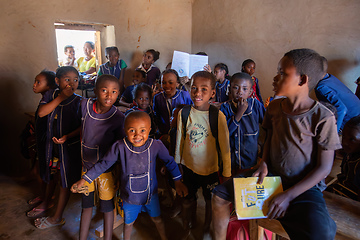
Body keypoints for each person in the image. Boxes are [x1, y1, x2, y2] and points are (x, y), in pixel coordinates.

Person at [212, 48, 341, 240]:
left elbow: (324, 168)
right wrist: (263, 162)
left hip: (302, 187)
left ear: (302, 80)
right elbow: (268, 140)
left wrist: (288, 195)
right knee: (219, 195)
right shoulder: (274, 107)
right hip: (270, 177)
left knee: (322, 231)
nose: (275, 77)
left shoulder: (322, 117)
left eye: (282, 73)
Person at [71, 111, 188, 240]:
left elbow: (170, 162)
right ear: (124, 130)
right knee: (128, 224)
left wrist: (178, 181)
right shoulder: (119, 147)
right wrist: (84, 179)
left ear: (150, 129)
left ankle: (164, 237)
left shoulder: (156, 145)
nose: (137, 135)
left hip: (151, 195)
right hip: (129, 197)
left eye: (143, 130)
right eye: (132, 130)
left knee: (157, 219)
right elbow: (103, 164)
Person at [175, 71, 231, 237]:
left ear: (213, 93)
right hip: (188, 167)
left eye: (203, 89)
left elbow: (225, 148)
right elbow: (179, 141)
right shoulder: (184, 113)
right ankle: (187, 223)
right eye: (194, 88)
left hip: (211, 170)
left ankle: (207, 226)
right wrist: (177, 166)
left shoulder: (217, 116)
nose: (197, 93)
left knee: (209, 201)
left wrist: (226, 174)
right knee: (187, 199)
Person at [74, 74, 125, 240]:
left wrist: (119, 174)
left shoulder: (118, 118)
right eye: (104, 90)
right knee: (86, 205)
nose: (109, 95)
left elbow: (119, 150)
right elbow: (79, 127)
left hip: (106, 171)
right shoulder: (84, 105)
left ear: (119, 94)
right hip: (86, 167)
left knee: (107, 206)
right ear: (95, 91)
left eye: (114, 91)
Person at [34, 66, 82, 229]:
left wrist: (67, 137)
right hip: (52, 150)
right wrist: (60, 97)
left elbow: (83, 127)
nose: (71, 83)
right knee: (53, 176)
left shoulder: (79, 102)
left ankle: (57, 217)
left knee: (64, 181)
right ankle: (47, 203)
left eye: (75, 80)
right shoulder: (52, 95)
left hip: (68, 151)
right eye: (67, 79)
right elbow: (41, 113)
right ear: (57, 81)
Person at [27, 71, 58, 218]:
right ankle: (44, 196)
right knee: (40, 172)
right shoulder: (45, 97)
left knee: (48, 173)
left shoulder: (52, 96)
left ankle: (48, 200)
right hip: (41, 141)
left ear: (50, 85)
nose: (34, 85)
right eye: (35, 81)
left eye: (38, 82)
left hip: (49, 144)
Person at [220, 72, 265, 173]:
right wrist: (238, 114)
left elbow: (267, 126)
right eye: (236, 88)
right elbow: (224, 133)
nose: (240, 92)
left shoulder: (256, 105)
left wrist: (262, 151)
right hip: (229, 161)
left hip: (250, 161)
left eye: (245, 89)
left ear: (250, 92)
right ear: (229, 89)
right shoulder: (225, 108)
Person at [315, 56, 360, 133]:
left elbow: (341, 109)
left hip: (353, 121)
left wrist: (333, 133)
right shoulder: (329, 77)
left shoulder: (321, 87)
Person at [327, 115, 360, 201]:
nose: (344, 142)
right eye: (343, 136)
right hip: (342, 190)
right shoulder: (351, 152)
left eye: (351, 139)